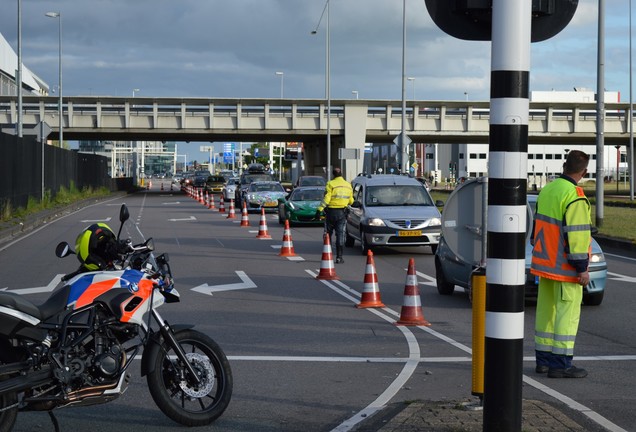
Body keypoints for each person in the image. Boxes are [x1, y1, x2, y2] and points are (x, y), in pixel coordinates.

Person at [530, 150, 592, 379]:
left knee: (546, 314)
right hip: (565, 269)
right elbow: (576, 236)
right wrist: (582, 269)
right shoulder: (574, 195)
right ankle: (560, 365)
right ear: (584, 172)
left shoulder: (549, 190)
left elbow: (537, 228)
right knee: (567, 315)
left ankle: (543, 362)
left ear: (565, 166)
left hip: (544, 266)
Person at [316, 167, 354, 263]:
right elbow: (351, 201)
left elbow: (327, 198)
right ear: (342, 174)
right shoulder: (348, 185)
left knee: (328, 234)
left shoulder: (330, 184)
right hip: (342, 213)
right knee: (340, 235)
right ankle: (339, 257)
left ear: (333, 174)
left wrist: (319, 209)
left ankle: (326, 256)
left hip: (330, 212)